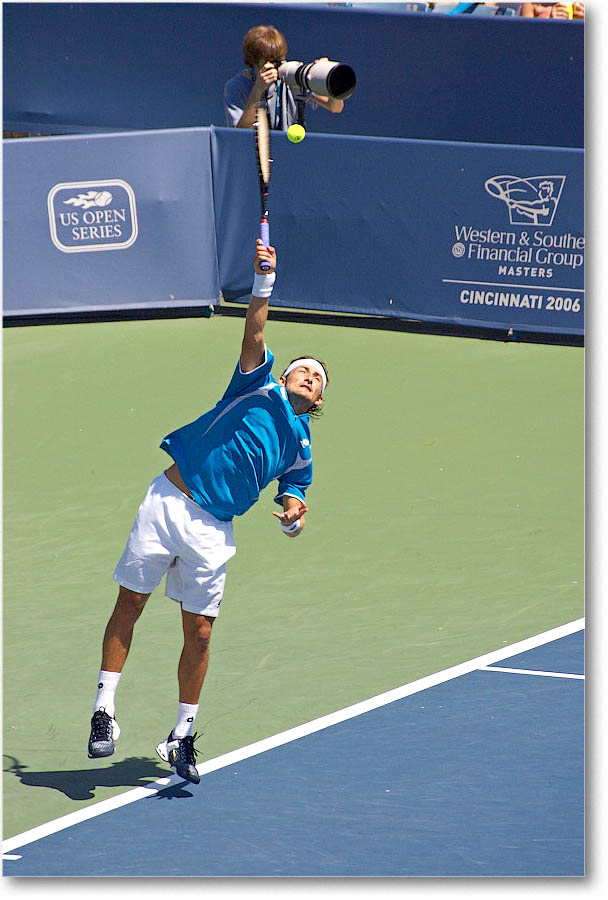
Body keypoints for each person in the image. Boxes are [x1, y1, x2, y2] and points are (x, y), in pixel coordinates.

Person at [87, 240, 329, 784]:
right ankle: (104, 710)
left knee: (199, 634)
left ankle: (181, 736)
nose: (309, 378)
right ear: (284, 378)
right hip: (168, 502)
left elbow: (295, 497)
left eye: (318, 380)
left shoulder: (302, 450)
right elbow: (256, 332)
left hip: (213, 531)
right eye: (303, 371)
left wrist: (293, 519)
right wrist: (263, 282)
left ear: (318, 403)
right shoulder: (255, 385)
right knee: (131, 603)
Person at [224, 24, 344, 130]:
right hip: (253, 151)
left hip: (290, 149)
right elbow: (239, 133)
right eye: (270, 61)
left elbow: (335, 107)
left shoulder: (292, 76)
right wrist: (257, 90)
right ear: (253, 61)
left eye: (279, 60)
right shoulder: (235, 87)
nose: (276, 67)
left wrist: (329, 76)